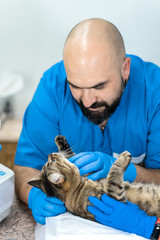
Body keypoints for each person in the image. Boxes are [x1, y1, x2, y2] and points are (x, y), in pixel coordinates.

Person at [14, 18, 160, 238]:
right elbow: (24, 166)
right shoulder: (53, 88)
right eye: (76, 87)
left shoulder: (154, 92)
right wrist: (33, 195)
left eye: (99, 86)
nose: (88, 101)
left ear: (125, 69)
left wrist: (132, 171)